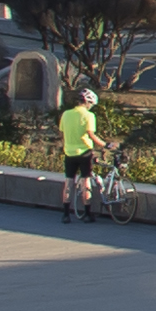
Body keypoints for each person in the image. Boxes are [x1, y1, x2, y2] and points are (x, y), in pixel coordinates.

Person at [56, 86, 102, 220]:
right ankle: (87, 213)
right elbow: (91, 134)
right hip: (85, 153)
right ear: (88, 102)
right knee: (86, 180)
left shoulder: (66, 114)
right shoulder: (89, 116)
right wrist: (105, 144)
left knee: (69, 182)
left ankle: (65, 214)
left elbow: (62, 132)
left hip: (69, 152)